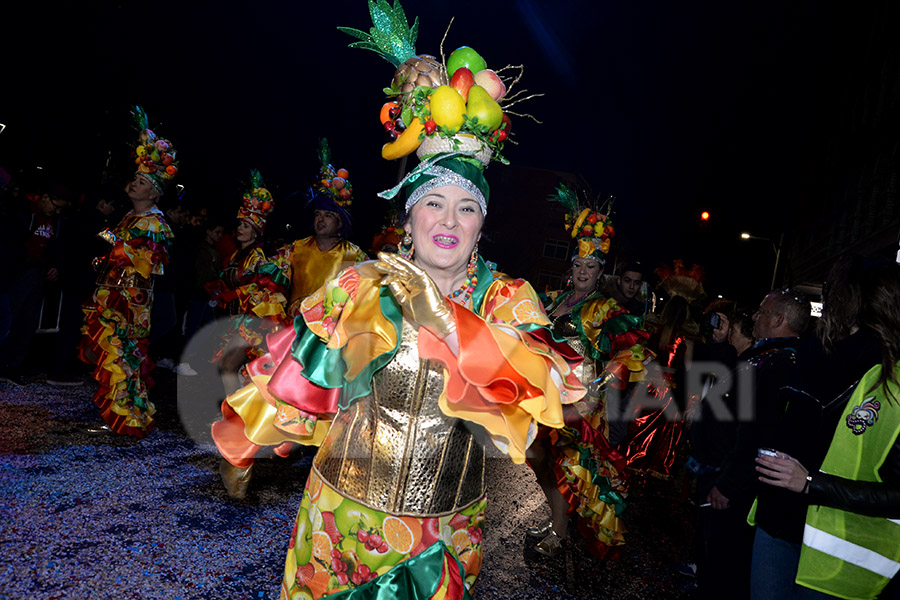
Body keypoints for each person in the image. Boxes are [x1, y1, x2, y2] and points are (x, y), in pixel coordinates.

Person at [211, 153, 585, 598]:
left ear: (480, 226)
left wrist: (447, 323)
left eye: (467, 207)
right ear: (408, 220)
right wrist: (247, 436)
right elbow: (300, 377)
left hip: (444, 530)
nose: (449, 219)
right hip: (341, 515)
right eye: (433, 202)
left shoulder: (505, 298)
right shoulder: (362, 285)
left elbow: (543, 390)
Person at [756, 261, 900, 600]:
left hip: (842, 552)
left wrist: (811, 483)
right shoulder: (809, 356)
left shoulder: (890, 377)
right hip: (780, 522)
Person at [527, 183, 650, 557]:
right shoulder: (555, 300)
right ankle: (555, 520)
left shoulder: (604, 309)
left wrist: (599, 387)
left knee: (566, 465)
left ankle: (560, 533)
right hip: (544, 392)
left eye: (591, 266)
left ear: (600, 273)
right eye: (578, 265)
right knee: (536, 459)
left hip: (579, 399)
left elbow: (632, 354)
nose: (583, 271)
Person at [78, 107, 177, 438]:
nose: (133, 184)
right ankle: (117, 416)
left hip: (129, 304)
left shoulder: (155, 223)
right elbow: (117, 251)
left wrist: (104, 233)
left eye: (141, 182)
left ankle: (129, 419)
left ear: (154, 192)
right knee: (114, 358)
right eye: (134, 179)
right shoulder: (129, 219)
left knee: (124, 359)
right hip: (113, 295)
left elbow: (139, 259)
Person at [685, 307, 757, 600]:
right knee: (704, 521)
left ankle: (708, 583)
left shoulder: (744, 364)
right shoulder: (730, 359)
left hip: (721, 459)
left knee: (717, 528)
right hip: (709, 454)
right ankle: (701, 572)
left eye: (730, 328)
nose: (722, 331)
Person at [619, 260, 705, 479]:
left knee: (637, 431)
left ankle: (627, 471)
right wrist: (692, 403)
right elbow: (691, 373)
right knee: (660, 436)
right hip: (668, 393)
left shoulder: (653, 330)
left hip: (646, 387)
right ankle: (646, 477)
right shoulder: (687, 340)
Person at [207, 171, 290, 395]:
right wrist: (219, 288)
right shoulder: (236, 255)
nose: (240, 229)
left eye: (245, 226)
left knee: (228, 366)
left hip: (251, 323)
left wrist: (233, 295)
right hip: (234, 320)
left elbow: (262, 286)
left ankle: (234, 417)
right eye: (240, 225)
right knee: (232, 367)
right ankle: (237, 415)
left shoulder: (257, 256)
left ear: (255, 232)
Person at [276, 140, 367, 315]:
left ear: (340, 223)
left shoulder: (354, 256)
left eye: (328, 215)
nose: (321, 219)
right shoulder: (295, 249)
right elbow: (268, 280)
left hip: (331, 338)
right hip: (293, 334)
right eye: (318, 214)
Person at [0, 184, 69, 385]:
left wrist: (55, 265)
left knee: (27, 321)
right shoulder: (22, 212)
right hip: (18, 273)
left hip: (37, 273)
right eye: (56, 206)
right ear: (46, 197)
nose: (56, 211)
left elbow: (56, 246)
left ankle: (11, 365)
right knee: (8, 318)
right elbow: (11, 243)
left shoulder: (55, 220)